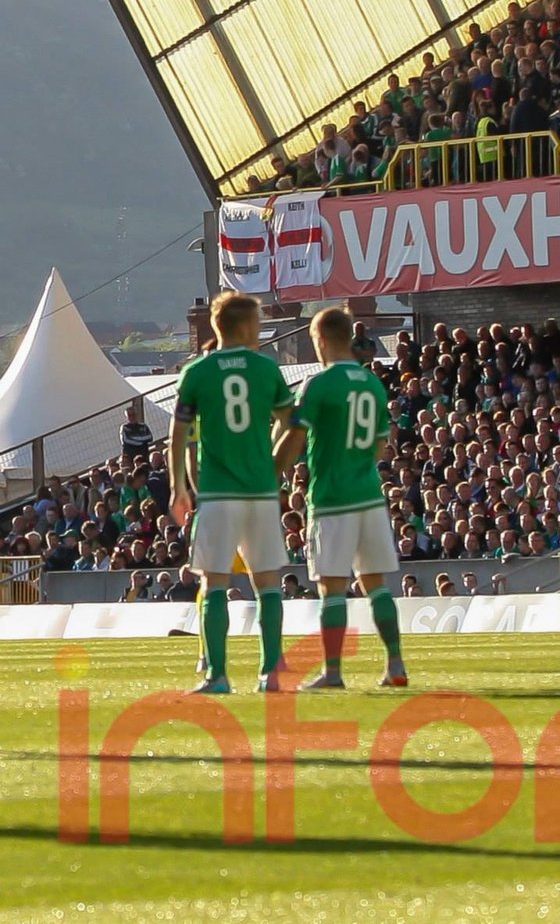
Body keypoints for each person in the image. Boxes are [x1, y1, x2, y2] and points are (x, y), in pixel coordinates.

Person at [274, 307, 409, 689]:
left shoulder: (318, 384)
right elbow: (381, 443)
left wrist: (271, 473)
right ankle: (395, 664)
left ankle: (333, 673)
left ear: (319, 339)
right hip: (368, 494)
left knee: (331, 588)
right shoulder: (372, 383)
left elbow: (295, 438)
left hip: (332, 497)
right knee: (375, 584)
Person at [169, 292, 294, 694]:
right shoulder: (266, 369)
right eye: (257, 323)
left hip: (217, 492)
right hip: (259, 491)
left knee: (215, 583)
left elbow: (178, 434)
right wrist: (273, 461)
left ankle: (217, 676)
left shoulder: (197, 372)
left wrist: (178, 487)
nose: (260, 330)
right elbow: (291, 422)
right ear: (245, 326)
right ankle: (270, 673)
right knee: (268, 583)